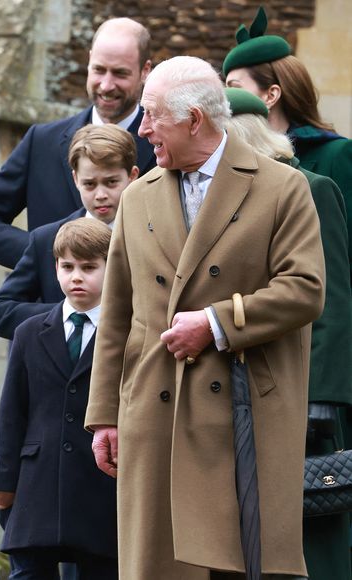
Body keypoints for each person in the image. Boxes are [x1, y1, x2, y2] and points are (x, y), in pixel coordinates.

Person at [84, 55, 325, 579]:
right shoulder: (138, 197)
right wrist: (104, 413)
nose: (142, 128)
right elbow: (118, 317)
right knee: (160, 566)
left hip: (241, 412)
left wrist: (215, 325)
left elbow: (305, 289)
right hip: (155, 412)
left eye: (152, 115)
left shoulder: (283, 188)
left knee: (241, 564)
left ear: (194, 119)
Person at [225, 86, 352, 580]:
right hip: (241, 388)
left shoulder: (310, 187)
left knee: (310, 522)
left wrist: (317, 400)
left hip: (303, 395)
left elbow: (332, 300)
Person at [0, 17, 154, 269]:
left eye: (120, 73)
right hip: (50, 307)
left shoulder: (164, 146)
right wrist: (48, 254)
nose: (106, 85)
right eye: (99, 70)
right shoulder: (41, 142)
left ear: (145, 70)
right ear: (89, 59)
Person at [0, 218, 118, 579]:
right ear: (55, 269)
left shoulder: (125, 335)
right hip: (37, 488)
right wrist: (4, 484)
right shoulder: (29, 332)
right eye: (67, 267)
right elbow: (11, 414)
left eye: (89, 267)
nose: (76, 277)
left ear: (115, 269)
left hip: (101, 491)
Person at [222, 6, 352, 280]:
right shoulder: (229, 159)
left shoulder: (336, 154)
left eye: (235, 87)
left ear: (271, 95)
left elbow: (342, 257)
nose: (226, 101)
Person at [0, 123, 139, 339]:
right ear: (75, 179)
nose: (101, 194)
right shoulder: (47, 239)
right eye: (89, 184)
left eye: (111, 182)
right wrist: (67, 315)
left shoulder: (152, 234)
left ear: (132, 176)